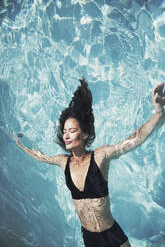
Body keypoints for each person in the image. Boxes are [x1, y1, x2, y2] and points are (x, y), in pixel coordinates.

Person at [15, 79, 165, 247]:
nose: (66, 136)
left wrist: (158, 115)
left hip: (111, 236)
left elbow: (133, 141)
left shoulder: (100, 157)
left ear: (85, 134)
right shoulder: (64, 162)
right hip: (89, 238)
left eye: (72, 131)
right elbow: (40, 156)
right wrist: (18, 141)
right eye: (64, 131)